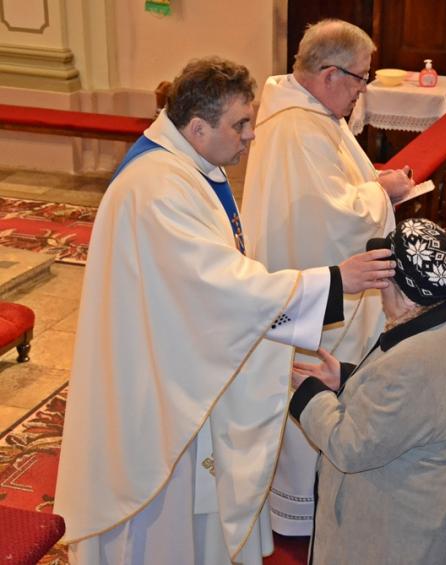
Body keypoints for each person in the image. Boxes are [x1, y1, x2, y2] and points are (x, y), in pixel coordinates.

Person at [53, 57, 395, 565]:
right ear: (197, 127)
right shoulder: (157, 189)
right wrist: (334, 282)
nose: (251, 135)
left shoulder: (188, 166)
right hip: (159, 388)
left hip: (179, 358)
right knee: (165, 526)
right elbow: (220, 288)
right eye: (240, 124)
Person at [239, 18, 414, 535]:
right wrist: (383, 193)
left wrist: (372, 181)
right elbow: (333, 218)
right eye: (361, 77)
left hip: (310, 282)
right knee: (313, 378)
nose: (363, 90)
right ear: (330, 74)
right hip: (314, 290)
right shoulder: (297, 125)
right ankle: (306, 509)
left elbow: (331, 188)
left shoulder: (309, 111)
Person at [289, 218, 446, 564]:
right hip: (430, 510)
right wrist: (347, 378)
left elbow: (351, 447)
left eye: (385, 280)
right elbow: (411, 409)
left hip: (396, 529)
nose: (379, 288)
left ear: (407, 296)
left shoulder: (415, 360)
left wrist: (311, 396)